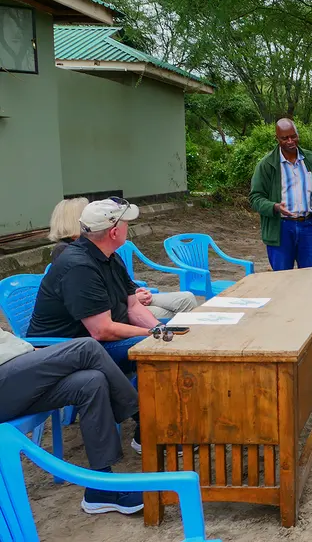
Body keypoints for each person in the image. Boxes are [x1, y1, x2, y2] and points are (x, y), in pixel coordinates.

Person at [0, 331, 143, 515]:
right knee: (87, 347)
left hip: (18, 371)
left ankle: (100, 487)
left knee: (91, 382)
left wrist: (29, 352)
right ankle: (145, 424)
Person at [248, 118, 312, 344]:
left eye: (293, 136)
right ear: (278, 139)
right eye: (285, 138)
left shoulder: (310, 159)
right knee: (283, 283)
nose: (291, 141)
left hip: (307, 227)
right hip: (281, 228)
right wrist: (273, 207)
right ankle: (286, 333)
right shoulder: (267, 165)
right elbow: (255, 198)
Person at [29, 199, 164, 345]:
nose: (128, 227)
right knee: (161, 347)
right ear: (114, 232)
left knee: (177, 331)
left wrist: (160, 329)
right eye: (126, 223)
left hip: (103, 337)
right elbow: (101, 331)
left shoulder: (110, 256)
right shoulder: (79, 267)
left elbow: (133, 307)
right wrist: (153, 334)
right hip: (71, 348)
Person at [47, 197, 199, 320]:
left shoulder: (106, 252)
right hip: (111, 312)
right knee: (177, 316)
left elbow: (118, 283)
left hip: (122, 303)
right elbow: (97, 310)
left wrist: (133, 293)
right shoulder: (72, 258)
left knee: (186, 299)